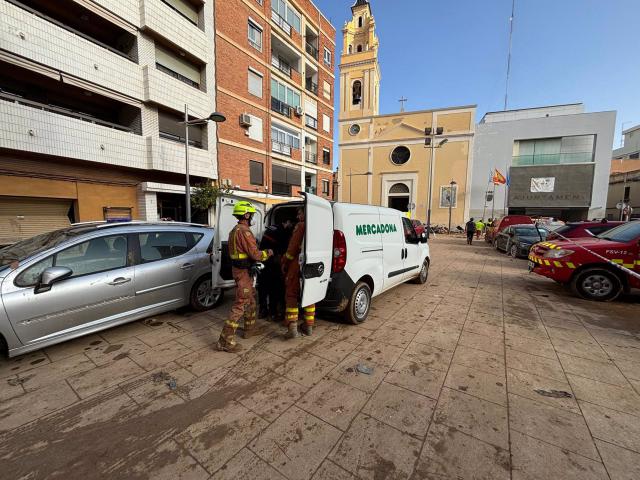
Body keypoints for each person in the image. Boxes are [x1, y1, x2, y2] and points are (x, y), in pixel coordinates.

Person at [217, 201, 273, 353]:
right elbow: (255, 254)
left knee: (252, 300)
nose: (253, 217)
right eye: (252, 215)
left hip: (240, 270)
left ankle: (249, 329)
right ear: (247, 215)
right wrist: (268, 253)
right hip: (243, 273)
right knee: (240, 304)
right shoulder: (245, 232)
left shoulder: (234, 230)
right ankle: (225, 341)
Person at [282, 207, 315, 339]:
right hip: (313, 264)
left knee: (291, 294)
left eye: (300, 213)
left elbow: (292, 248)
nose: (297, 216)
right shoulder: (318, 225)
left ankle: (292, 328)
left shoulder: (301, 225)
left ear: (306, 213)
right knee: (310, 295)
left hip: (298, 263)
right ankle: (309, 326)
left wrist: (284, 261)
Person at [258, 218, 294, 322]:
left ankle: (262, 310)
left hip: (263, 261)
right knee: (274, 288)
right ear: (286, 221)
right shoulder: (283, 231)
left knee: (263, 288)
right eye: (290, 222)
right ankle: (272, 313)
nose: (291, 225)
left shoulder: (271, 227)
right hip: (273, 263)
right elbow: (286, 249)